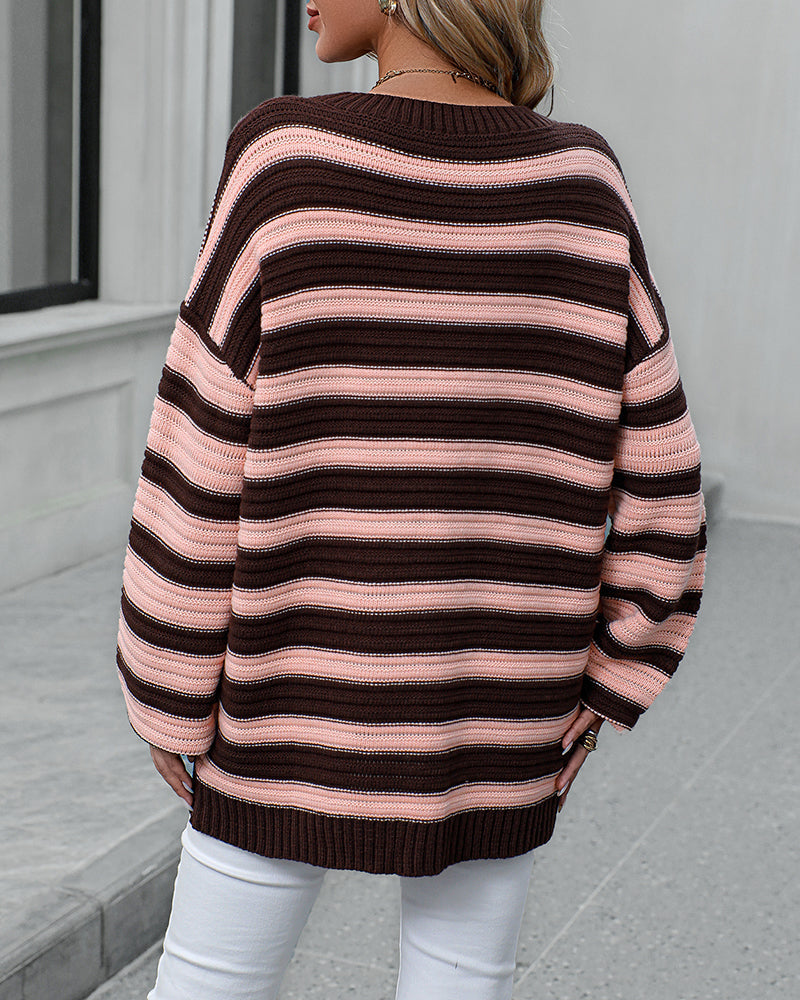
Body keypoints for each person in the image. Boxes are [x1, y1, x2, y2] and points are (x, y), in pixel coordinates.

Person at [116, 1, 707, 997]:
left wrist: (167, 685)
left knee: (208, 983)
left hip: (285, 710)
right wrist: (611, 678)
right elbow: (661, 470)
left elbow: (198, 452)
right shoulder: (584, 183)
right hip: (502, 711)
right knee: (460, 980)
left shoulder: (284, 160)